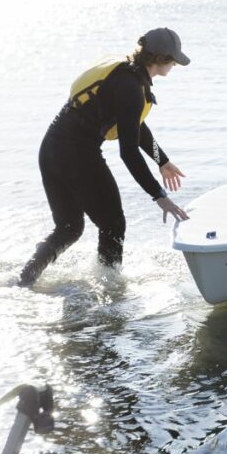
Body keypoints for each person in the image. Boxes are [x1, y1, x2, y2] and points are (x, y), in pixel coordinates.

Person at [19, 27, 191, 286]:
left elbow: (134, 126)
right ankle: (110, 289)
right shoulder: (131, 87)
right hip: (77, 155)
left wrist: (162, 160)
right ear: (160, 58)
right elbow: (129, 151)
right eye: (174, 59)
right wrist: (159, 195)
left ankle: (25, 280)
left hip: (51, 149)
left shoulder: (125, 73)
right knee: (113, 225)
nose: (175, 64)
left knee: (69, 228)